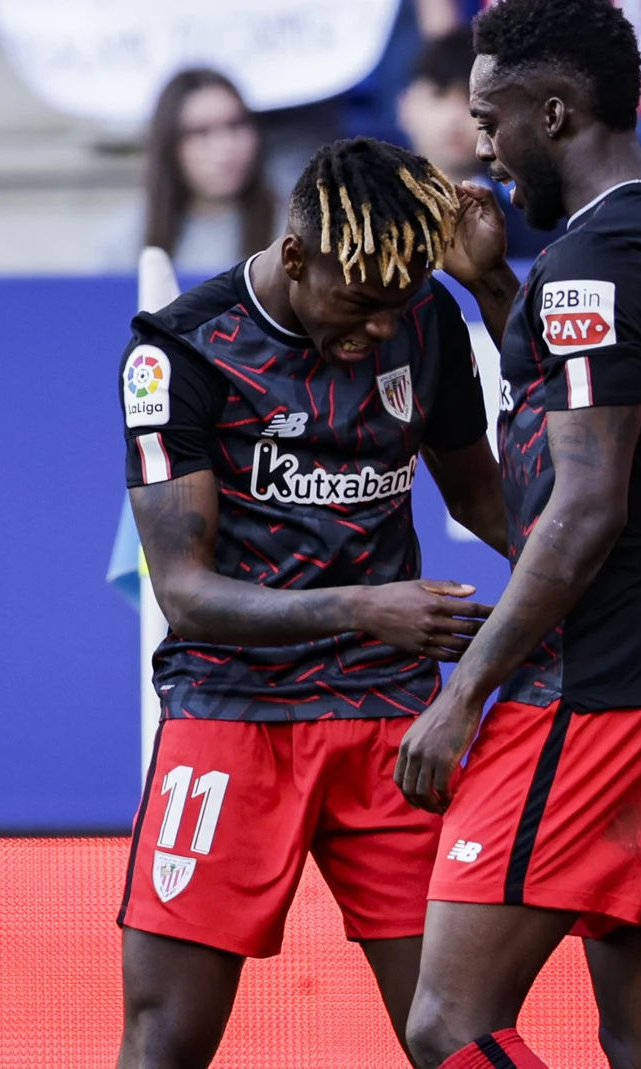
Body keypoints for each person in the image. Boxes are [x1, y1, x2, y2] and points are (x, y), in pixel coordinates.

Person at [395, 1, 641, 1067]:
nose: (481, 147)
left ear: (552, 112)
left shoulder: (589, 268)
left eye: (490, 119)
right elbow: (599, 425)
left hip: (605, 667)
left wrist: (465, 693)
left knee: (448, 1021)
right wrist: (495, 287)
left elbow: (585, 504)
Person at [115, 135, 518, 1069]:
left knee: (455, 1029)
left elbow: (482, 496)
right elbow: (184, 594)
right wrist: (365, 607)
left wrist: (571, 572)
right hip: (232, 714)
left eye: (396, 306)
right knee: (163, 1041)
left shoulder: (426, 317)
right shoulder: (179, 351)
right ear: (295, 255)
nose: (380, 328)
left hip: (392, 723)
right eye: (360, 304)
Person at [99, 68, 278, 276]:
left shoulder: (291, 230)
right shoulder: (128, 238)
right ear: (169, 146)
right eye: (200, 132)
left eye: (235, 125)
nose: (225, 147)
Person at [398, 30, 559, 260]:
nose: (454, 117)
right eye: (439, 95)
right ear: (404, 106)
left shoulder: (533, 226)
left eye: (471, 101)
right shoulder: (368, 213)